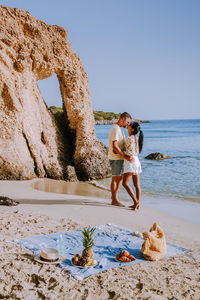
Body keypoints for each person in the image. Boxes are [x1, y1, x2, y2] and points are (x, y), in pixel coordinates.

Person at [108, 112, 133, 206]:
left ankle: (114, 197)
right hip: (115, 158)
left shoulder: (119, 129)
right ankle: (114, 200)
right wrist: (125, 156)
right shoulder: (115, 129)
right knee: (115, 178)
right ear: (122, 119)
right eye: (127, 122)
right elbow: (114, 146)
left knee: (120, 178)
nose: (128, 124)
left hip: (119, 157)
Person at [122, 122, 143, 210]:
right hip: (136, 160)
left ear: (132, 129)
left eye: (130, 124)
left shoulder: (129, 138)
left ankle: (135, 202)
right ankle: (137, 204)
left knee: (125, 183)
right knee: (136, 185)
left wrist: (121, 153)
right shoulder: (137, 138)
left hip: (130, 161)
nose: (128, 125)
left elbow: (129, 152)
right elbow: (135, 151)